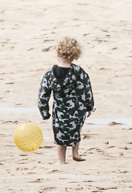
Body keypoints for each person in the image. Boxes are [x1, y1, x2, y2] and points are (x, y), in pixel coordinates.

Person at [38, 36, 95, 164]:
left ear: (58, 53)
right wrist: (89, 106)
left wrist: (44, 111)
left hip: (59, 111)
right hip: (77, 110)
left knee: (60, 135)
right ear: (75, 54)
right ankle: (75, 153)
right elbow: (87, 89)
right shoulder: (79, 72)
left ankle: (61, 160)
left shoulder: (51, 73)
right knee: (76, 130)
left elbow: (43, 93)